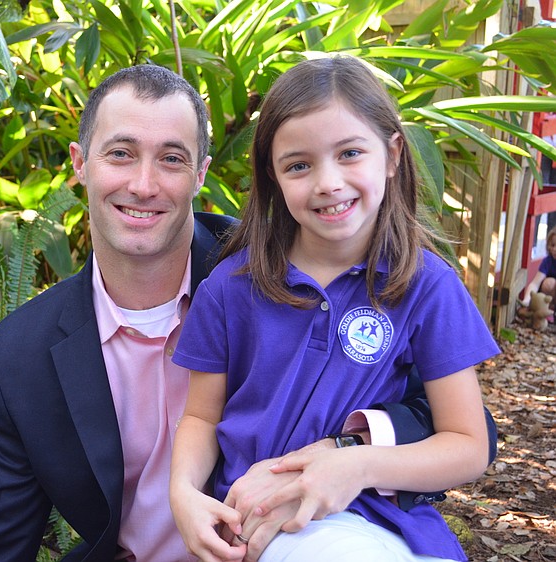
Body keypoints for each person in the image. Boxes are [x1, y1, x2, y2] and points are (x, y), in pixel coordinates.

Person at [0, 64, 496, 561]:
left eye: (172, 158)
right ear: (80, 163)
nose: (143, 184)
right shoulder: (24, 352)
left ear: (201, 174)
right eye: (120, 153)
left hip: (332, 532)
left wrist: (344, 454)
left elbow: (469, 433)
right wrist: (182, 491)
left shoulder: (369, 276)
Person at [169, 56, 501, 562]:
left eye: (350, 153)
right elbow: (200, 415)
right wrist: (183, 493)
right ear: (273, 176)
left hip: (383, 517)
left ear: (391, 155)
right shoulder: (230, 288)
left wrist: (357, 465)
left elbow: (468, 445)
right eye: (299, 165)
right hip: (270, 521)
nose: (327, 182)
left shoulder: (427, 285)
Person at [520, 225, 556, 309]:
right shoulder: (548, 261)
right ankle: (548, 308)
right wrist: (526, 300)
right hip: (548, 298)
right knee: (549, 283)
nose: (554, 249)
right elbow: (535, 284)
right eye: (553, 245)